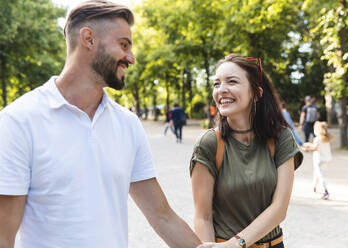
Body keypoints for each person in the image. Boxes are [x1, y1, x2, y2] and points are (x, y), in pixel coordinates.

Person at [0, 1, 202, 248]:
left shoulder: (128, 124)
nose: (131, 57)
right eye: (123, 45)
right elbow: (3, 235)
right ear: (89, 39)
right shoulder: (18, 121)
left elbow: (163, 217)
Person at [190, 54, 303, 248]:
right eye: (216, 84)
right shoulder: (209, 143)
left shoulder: (281, 138)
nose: (221, 90)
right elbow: (203, 217)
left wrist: (236, 243)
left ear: (256, 93)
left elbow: (279, 209)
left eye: (232, 81)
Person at [302, 121, 333, 200]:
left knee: (320, 175)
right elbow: (316, 146)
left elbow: (314, 148)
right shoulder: (325, 138)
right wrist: (308, 144)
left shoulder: (317, 139)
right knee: (316, 173)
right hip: (326, 159)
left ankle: (325, 191)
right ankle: (314, 187)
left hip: (319, 160)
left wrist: (306, 148)